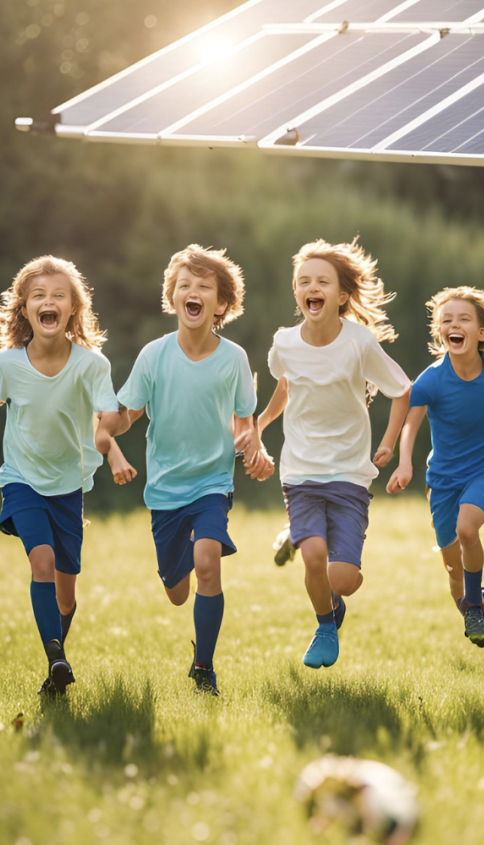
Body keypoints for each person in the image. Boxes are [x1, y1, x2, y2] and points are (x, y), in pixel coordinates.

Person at [112, 244, 272, 696]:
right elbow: (129, 413)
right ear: (173, 297)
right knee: (177, 591)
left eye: (204, 287)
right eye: (185, 285)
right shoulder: (154, 355)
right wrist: (109, 426)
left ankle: (204, 665)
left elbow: (244, 422)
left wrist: (251, 448)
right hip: (165, 488)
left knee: (207, 564)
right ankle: (174, 578)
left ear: (221, 304)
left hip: (211, 483)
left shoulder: (233, 358)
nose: (193, 291)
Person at [0, 255, 122, 695]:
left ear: (73, 308)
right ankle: (56, 659)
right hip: (21, 478)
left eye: (58, 296)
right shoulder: (7, 363)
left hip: (69, 484)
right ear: (25, 309)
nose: (48, 302)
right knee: (42, 562)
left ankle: (55, 673)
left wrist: (114, 452)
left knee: (66, 596)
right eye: (38, 296)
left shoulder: (92, 365)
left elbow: (108, 415)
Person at [258, 238, 411, 670]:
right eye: (303, 281)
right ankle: (325, 624)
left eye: (323, 281)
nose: (312, 286)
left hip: (349, 472)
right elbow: (287, 383)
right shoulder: (284, 343)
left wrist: (387, 442)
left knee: (344, 579)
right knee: (314, 557)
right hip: (301, 470)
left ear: (341, 296)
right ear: (296, 293)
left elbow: (402, 391)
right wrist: (262, 422)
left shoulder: (359, 343)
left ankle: (318, 571)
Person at [387, 286, 484, 648]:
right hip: (442, 481)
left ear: (482, 333)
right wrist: (404, 462)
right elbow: (411, 419)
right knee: (452, 569)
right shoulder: (431, 378)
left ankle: (473, 605)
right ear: (439, 332)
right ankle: (477, 604)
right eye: (446, 320)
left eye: (463, 319)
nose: (453, 325)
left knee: (467, 529)